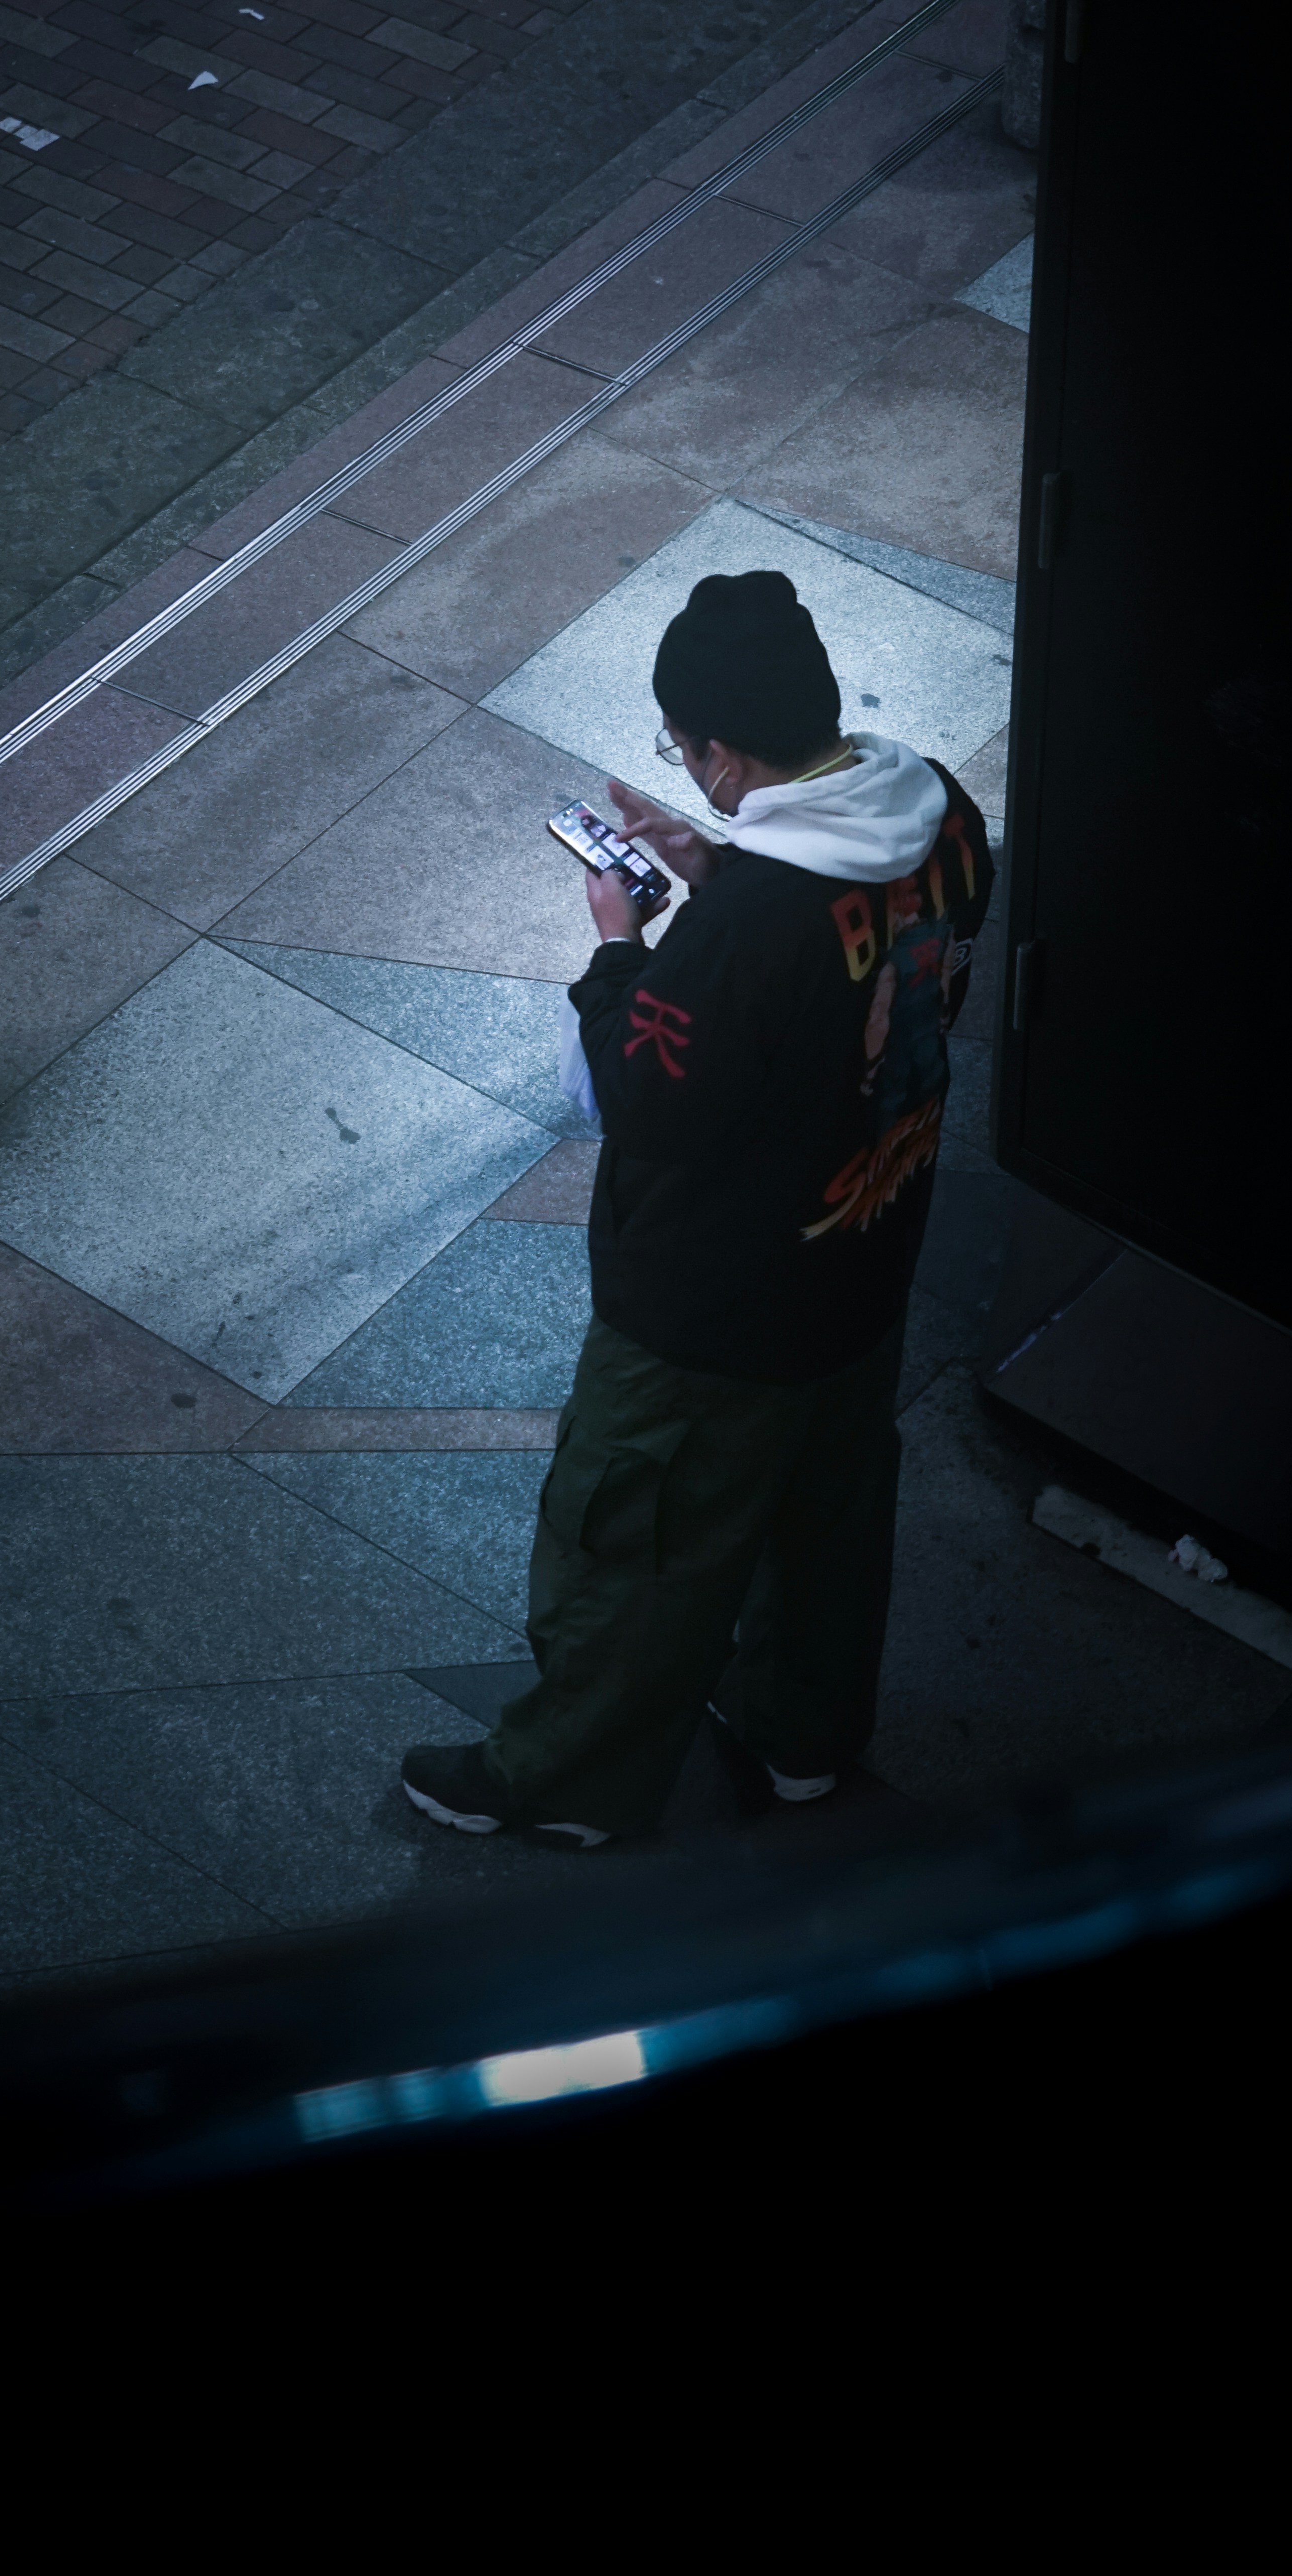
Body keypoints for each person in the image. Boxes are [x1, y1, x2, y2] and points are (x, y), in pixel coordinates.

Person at [402, 567, 993, 1847]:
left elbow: (649, 1099)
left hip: (713, 1310)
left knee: (636, 1549)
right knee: (827, 1526)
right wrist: (722, 869)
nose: (687, 768)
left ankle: (566, 1781)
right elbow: (848, 963)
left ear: (722, 752)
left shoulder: (747, 930)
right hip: (863, 1264)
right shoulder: (945, 812)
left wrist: (623, 943)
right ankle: (799, 1737)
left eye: (685, 749)